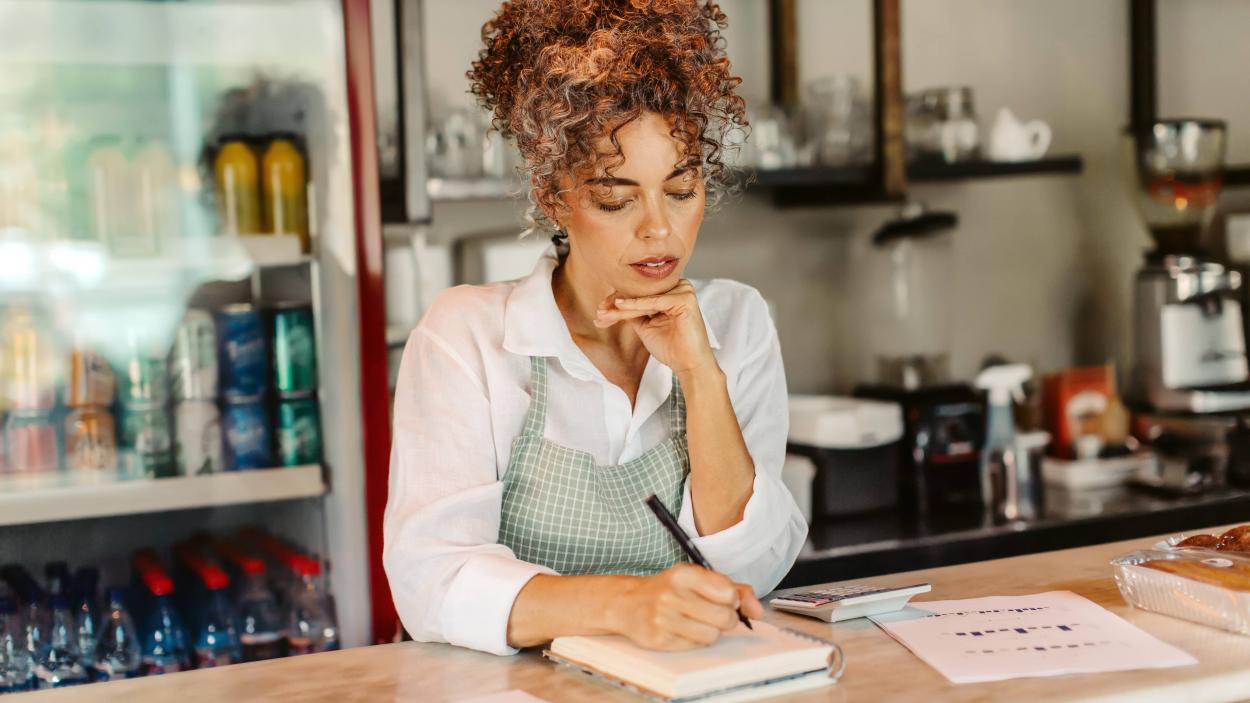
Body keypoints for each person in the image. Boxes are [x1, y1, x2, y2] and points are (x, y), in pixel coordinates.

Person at [384, 0, 806, 656]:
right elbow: (429, 580)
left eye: (681, 188)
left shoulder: (736, 321)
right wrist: (625, 605)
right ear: (555, 194)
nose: (658, 229)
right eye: (617, 197)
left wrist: (700, 373)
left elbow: (750, 567)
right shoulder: (465, 336)